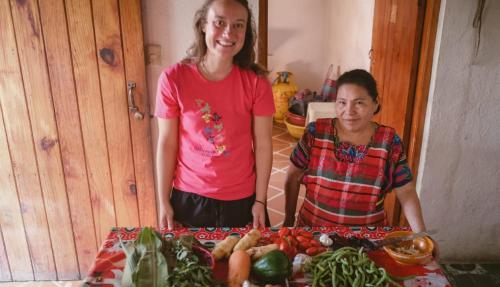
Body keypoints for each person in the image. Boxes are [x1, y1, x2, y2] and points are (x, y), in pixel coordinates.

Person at [155, 0, 275, 230]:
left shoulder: (257, 82)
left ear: (246, 32)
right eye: (219, 22)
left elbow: (263, 145)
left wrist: (260, 200)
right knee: (191, 264)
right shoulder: (173, 79)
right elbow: (167, 143)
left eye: (238, 25)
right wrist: (163, 201)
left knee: (244, 264)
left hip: (243, 198)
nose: (229, 32)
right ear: (203, 24)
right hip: (189, 197)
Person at [284, 69, 427, 233]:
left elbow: (406, 191)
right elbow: (292, 177)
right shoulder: (315, 133)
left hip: (366, 242)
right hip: (312, 236)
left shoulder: (389, 142)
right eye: (342, 102)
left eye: (359, 103)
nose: (349, 111)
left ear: (375, 103)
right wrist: (288, 220)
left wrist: (421, 235)